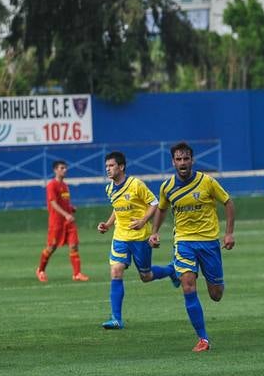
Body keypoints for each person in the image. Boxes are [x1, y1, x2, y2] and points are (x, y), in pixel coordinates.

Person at [138, 142, 236, 351]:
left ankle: (176, 270)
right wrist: (154, 232)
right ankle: (203, 339)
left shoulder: (207, 182)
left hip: (209, 242)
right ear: (173, 162)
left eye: (186, 159)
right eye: (178, 159)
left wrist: (228, 233)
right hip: (183, 242)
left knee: (216, 294)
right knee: (188, 285)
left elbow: (228, 202)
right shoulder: (167, 187)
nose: (182, 163)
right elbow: (162, 209)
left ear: (192, 160)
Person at [96, 150, 161, 329]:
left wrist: (142, 221)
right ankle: (116, 319)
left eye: (111, 166)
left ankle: (171, 271)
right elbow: (117, 209)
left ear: (121, 166)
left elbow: (154, 203)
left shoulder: (135, 184)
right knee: (116, 271)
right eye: (106, 166)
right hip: (121, 236)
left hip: (140, 237)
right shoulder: (109, 188)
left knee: (146, 276)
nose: (108, 169)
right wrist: (108, 225)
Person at [37, 160, 90, 282]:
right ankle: (40, 270)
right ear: (55, 170)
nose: (64, 170)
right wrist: (66, 214)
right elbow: (53, 203)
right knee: (51, 247)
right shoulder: (52, 185)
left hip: (69, 222)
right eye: (62, 168)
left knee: (74, 245)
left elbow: (63, 202)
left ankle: (77, 274)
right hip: (56, 222)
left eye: (65, 168)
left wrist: (71, 208)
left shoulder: (65, 186)